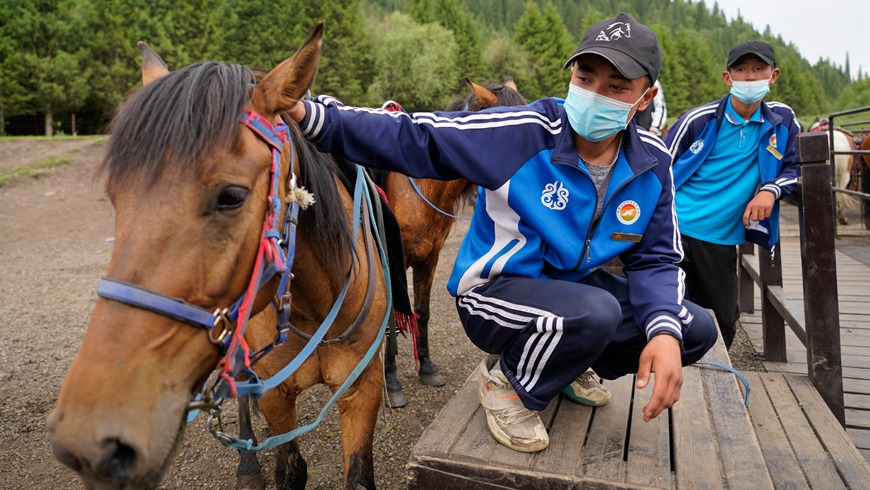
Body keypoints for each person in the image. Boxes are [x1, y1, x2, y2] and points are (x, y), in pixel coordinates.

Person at [288, 12, 717, 453]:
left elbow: (657, 259)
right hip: (495, 292)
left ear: (645, 98)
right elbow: (418, 137)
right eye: (586, 78)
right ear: (571, 75)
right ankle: (507, 387)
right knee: (597, 311)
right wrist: (309, 113)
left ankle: (567, 364)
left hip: (574, 294)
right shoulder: (525, 132)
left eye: (616, 88)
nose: (594, 95)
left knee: (694, 327)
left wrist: (663, 332)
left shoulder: (653, 160)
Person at [664, 40, 800, 349]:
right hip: (676, 230)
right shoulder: (698, 119)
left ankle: (712, 391)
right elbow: (658, 168)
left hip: (721, 238)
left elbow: (798, 166)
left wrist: (770, 189)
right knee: (668, 314)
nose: (750, 77)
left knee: (723, 322)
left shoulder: (781, 121)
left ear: (773, 75)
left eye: (758, 69)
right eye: (741, 69)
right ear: (728, 78)